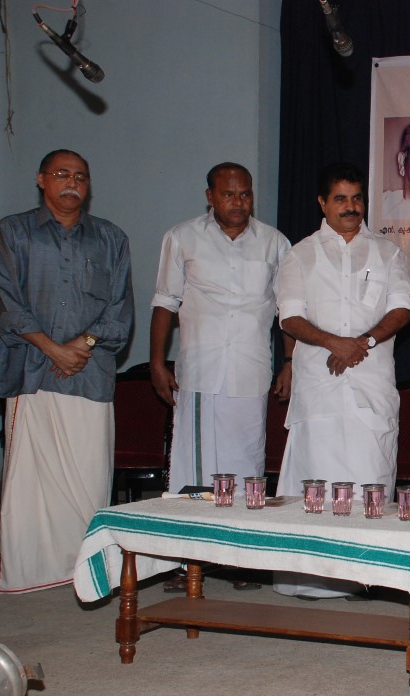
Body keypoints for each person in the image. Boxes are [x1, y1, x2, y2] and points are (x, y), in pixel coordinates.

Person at [150, 162, 292, 592]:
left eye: (245, 194)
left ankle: (240, 559)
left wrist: (290, 361)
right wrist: (157, 362)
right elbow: (165, 302)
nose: (238, 202)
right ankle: (187, 560)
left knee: (247, 466)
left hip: (250, 373)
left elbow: (288, 309)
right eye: (229, 194)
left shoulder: (274, 243)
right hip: (200, 373)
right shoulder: (182, 237)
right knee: (194, 469)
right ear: (210, 196)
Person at [0, 149, 134, 593]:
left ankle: (84, 568)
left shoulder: (111, 238)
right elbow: (6, 301)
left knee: (89, 474)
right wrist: (52, 348)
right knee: (30, 482)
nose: (72, 182)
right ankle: (33, 571)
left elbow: (120, 310)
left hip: (90, 372)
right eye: (62, 174)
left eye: (80, 176)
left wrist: (82, 345)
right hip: (32, 371)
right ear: (41, 180)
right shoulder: (13, 232)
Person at [274, 162, 410, 598]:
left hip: (371, 384)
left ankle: (368, 575)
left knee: (371, 473)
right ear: (322, 203)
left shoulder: (388, 252)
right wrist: (334, 342)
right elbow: (290, 317)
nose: (350, 207)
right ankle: (312, 580)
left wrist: (362, 342)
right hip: (320, 385)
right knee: (316, 478)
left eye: (356, 198)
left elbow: (401, 309)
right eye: (340, 199)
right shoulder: (300, 254)